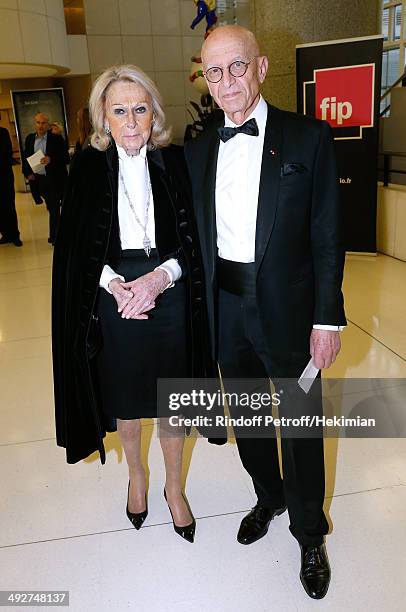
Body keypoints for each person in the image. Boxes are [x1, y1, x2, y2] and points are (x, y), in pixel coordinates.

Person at [185, 25, 346, 599]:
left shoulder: (308, 138)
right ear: (204, 77)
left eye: (236, 67)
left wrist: (328, 318)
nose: (225, 82)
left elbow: (328, 234)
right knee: (250, 417)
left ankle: (309, 532)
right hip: (226, 308)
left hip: (292, 309)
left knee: (301, 423)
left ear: (260, 66)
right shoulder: (199, 147)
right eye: (213, 71)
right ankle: (269, 495)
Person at [52, 64, 222, 544]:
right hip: (113, 297)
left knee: (173, 400)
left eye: (139, 110)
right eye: (119, 111)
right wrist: (113, 284)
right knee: (126, 403)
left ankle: (173, 487)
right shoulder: (86, 167)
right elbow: (74, 249)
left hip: (168, 295)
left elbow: (196, 245)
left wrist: (158, 279)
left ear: (154, 115)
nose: (130, 121)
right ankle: (136, 477)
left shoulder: (176, 162)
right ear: (104, 118)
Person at [22, 112, 69, 245]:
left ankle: (55, 237)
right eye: (38, 122)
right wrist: (27, 173)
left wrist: (51, 159)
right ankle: (57, 234)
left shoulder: (55, 138)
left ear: (48, 125)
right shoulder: (30, 139)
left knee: (54, 209)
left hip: (54, 179)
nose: (40, 126)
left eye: (43, 123)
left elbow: (65, 157)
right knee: (51, 207)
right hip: (39, 180)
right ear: (34, 123)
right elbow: (26, 157)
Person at [0, 125, 22, 246]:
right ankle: (5, 234)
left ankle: (14, 235)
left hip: (4, 176)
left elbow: (6, 152)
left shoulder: (3, 132)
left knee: (9, 205)